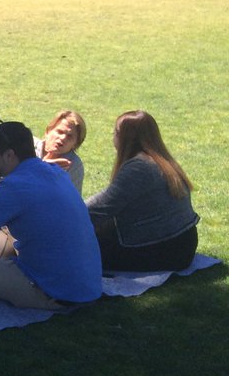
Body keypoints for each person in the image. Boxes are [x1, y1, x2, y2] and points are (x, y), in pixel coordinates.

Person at [0, 120, 102, 309]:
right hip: (88, 288)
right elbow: (36, 217)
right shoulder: (56, 172)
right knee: (6, 241)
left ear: (9, 155)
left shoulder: (13, 187)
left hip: (52, 292)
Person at [85, 110, 199, 272]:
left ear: (124, 138)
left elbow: (101, 208)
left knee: (77, 248)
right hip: (184, 244)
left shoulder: (139, 168)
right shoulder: (163, 161)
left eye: (115, 133)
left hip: (164, 251)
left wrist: (67, 214)